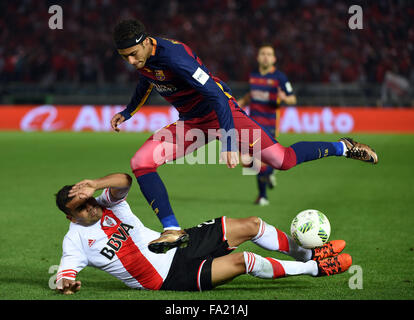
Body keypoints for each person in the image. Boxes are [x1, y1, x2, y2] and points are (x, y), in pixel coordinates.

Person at [109, 19, 378, 254]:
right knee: (141, 162)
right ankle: (172, 229)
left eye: (133, 54)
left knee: (282, 160)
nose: (131, 61)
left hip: (222, 113)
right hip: (192, 123)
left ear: (145, 42)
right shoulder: (145, 60)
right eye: (125, 58)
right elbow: (147, 80)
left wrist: (227, 142)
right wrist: (129, 111)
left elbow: (216, 96)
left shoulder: (175, 56)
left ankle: (343, 147)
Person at [54, 173, 352, 294]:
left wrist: (94, 183)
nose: (91, 206)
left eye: (89, 199)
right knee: (245, 260)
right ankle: (314, 268)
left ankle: (309, 251)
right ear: (71, 217)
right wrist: (66, 284)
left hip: (174, 242)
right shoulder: (75, 242)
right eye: (82, 207)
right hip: (169, 277)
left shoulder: (107, 203)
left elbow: (124, 180)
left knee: (251, 224)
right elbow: (65, 274)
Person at [238, 44, 297, 206]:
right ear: (258, 57)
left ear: (274, 59)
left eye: (269, 54)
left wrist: (285, 98)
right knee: (247, 162)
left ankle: (262, 196)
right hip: (252, 123)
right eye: (262, 53)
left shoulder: (280, 77)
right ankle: (271, 171)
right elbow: (251, 96)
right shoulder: (253, 76)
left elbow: (293, 99)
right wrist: (239, 103)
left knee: (258, 162)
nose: (265, 56)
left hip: (269, 125)